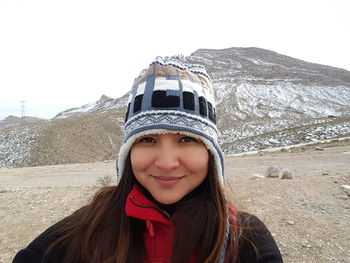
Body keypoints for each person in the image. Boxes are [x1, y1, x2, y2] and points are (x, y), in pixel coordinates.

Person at [13, 56, 283, 263]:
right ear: (128, 151)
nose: (166, 163)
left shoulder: (245, 239)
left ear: (210, 152)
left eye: (187, 140)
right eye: (148, 140)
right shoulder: (92, 224)